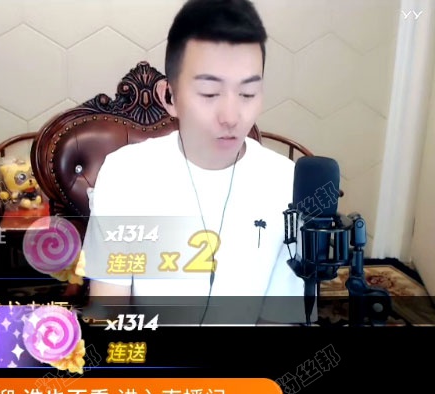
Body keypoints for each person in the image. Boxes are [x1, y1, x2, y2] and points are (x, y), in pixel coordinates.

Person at [81, 0, 305, 324]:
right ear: (170, 96)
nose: (231, 117)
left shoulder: (289, 181)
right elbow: (108, 311)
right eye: (209, 93)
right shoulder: (125, 173)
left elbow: (279, 319)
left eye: (247, 93)